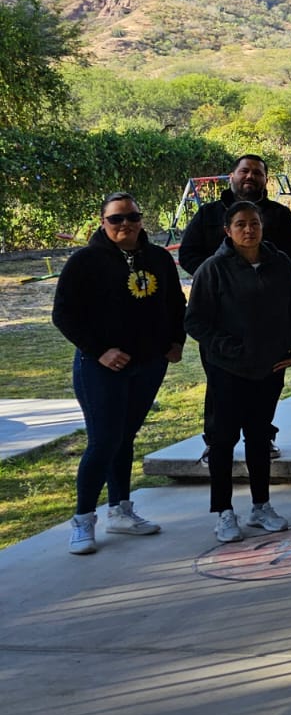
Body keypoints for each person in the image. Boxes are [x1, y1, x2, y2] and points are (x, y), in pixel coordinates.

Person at [52, 192, 185, 554]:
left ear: (141, 220)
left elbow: (176, 303)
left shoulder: (158, 258)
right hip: (101, 367)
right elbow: (63, 314)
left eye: (132, 217)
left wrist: (176, 341)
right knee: (104, 440)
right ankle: (83, 519)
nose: (125, 223)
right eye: (116, 218)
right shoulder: (85, 261)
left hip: (149, 364)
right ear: (103, 222)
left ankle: (121, 510)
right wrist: (100, 351)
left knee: (125, 437)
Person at [184, 201, 291, 543]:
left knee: (260, 437)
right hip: (227, 370)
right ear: (228, 230)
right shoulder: (213, 268)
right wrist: (230, 349)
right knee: (223, 441)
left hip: (269, 368)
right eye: (240, 224)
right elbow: (195, 321)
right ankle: (224, 511)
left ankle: (261, 505)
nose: (248, 229)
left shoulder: (279, 263)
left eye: (254, 223)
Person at [179, 153, 291, 275]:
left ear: (266, 180)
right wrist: (215, 276)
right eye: (244, 171)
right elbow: (188, 255)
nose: (250, 176)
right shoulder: (207, 213)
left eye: (257, 173)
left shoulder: (280, 214)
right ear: (231, 177)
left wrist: (262, 276)